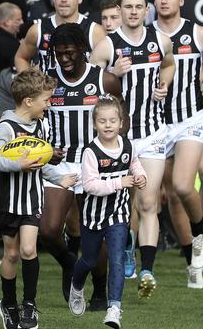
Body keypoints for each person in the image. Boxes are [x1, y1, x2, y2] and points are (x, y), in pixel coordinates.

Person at [89, 0, 175, 298]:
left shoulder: (160, 40)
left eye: (139, 6)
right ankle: (126, 245)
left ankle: (148, 268)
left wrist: (164, 83)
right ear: (121, 10)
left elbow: (168, 63)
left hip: (153, 131)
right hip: (118, 139)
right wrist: (112, 73)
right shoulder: (107, 46)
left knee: (148, 201)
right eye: (128, 7)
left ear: (147, 9)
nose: (134, 12)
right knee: (120, 206)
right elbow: (89, 86)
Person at [0, 67, 76, 329]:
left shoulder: (41, 125)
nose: (48, 105)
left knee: (28, 249)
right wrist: (17, 165)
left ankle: (30, 305)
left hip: (32, 198)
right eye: (45, 100)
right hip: (8, 200)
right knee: (11, 254)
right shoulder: (7, 126)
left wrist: (59, 178)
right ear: (29, 101)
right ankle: (8, 304)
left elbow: (41, 161)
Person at [43, 23, 123, 307]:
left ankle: (100, 291)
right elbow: (34, 120)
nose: (64, 59)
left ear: (82, 51)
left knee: (92, 235)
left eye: (69, 53)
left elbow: (119, 125)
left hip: (94, 165)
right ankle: (69, 263)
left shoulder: (105, 81)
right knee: (49, 230)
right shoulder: (47, 81)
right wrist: (44, 148)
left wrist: (115, 162)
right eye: (58, 54)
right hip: (60, 163)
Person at [68, 95, 147, 329]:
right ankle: (77, 285)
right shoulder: (91, 152)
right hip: (93, 217)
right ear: (94, 124)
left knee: (116, 259)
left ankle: (114, 309)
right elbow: (90, 185)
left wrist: (141, 176)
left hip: (119, 215)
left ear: (121, 123)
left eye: (113, 120)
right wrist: (119, 183)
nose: (108, 125)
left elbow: (135, 164)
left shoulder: (128, 145)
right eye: (102, 121)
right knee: (90, 260)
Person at [152, 0, 203, 286]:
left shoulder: (196, 33)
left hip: (189, 118)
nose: (164, 1)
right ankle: (192, 261)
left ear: (182, 1)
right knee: (171, 196)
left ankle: (199, 239)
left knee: (184, 186)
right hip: (156, 123)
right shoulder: (145, 36)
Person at [15, 0, 106, 73]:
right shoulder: (38, 29)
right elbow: (20, 58)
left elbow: (105, 69)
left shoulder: (95, 31)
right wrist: (30, 84)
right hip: (47, 88)